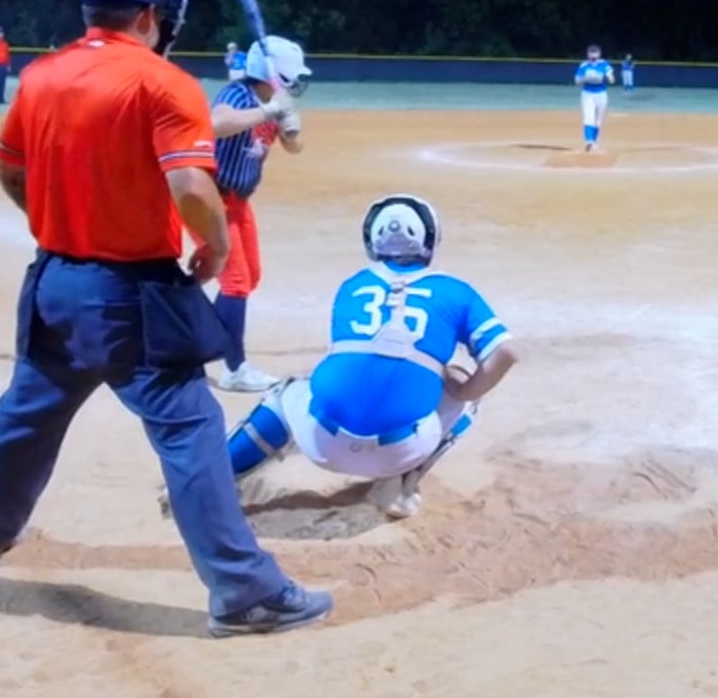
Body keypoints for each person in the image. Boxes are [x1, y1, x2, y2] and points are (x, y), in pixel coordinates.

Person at [0, 0, 331, 637]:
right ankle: (244, 593)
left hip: (53, 281)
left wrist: (53, 223)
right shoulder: (164, 82)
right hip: (131, 291)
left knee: (27, 409)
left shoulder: (41, 74)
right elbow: (191, 186)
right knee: (190, 428)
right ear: (151, 16)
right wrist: (215, 246)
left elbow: (5, 168)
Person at [194, 195, 519, 521]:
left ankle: (209, 481)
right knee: (463, 390)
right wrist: (464, 390)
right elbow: (505, 352)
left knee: (286, 394)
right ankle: (398, 487)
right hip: (401, 450)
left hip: (322, 443)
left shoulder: (353, 285)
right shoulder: (455, 290)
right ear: (430, 239)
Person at [201, 36, 312, 392]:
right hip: (211, 198)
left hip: (239, 202)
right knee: (235, 283)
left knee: (249, 277)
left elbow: (295, 147)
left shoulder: (272, 102)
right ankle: (234, 368)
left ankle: (195, 337)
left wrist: (289, 124)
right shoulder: (239, 95)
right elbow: (216, 123)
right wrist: (269, 111)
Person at [574, 44, 615, 152]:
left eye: (595, 54)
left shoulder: (604, 64)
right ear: (588, 55)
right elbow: (577, 81)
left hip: (601, 94)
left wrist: (604, 77)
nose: (593, 57)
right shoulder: (584, 65)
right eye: (591, 54)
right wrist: (586, 78)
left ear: (599, 54)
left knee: (598, 120)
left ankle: (593, 142)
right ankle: (589, 141)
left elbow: (612, 80)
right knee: (588, 117)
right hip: (587, 94)